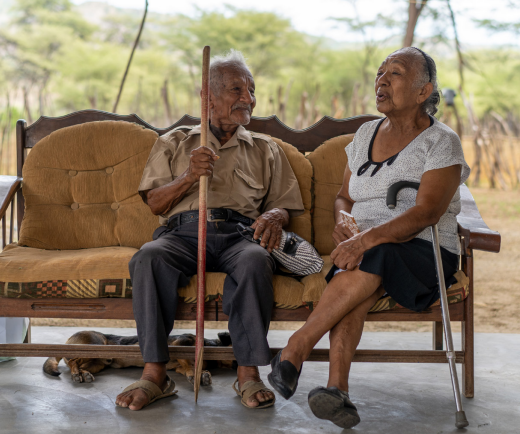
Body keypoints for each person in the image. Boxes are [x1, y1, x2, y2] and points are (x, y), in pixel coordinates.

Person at [267, 47, 470, 429]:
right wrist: (343, 218)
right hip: (366, 250)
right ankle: (336, 391)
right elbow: (345, 194)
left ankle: (296, 347)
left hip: (426, 249)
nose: (381, 80)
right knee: (362, 272)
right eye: (380, 73)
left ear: (424, 90)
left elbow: (427, 212)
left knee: (373, 256)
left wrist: (363, 240)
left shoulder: (441, 142)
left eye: (394, 73)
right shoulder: (364, 134)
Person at [116, 50, 304, 410]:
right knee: (149, 258)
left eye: (251, 90)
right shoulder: (175, 141)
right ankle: (155, 373)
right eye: (237, 89)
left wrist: (275, 217)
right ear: (208, 96)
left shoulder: (266, 148)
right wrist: (189, 176)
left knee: (255, 261)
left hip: (241, 235)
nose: (248, 98)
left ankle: (247, 373)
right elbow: (155, 204)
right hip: (182, 233)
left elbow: (285, 204)